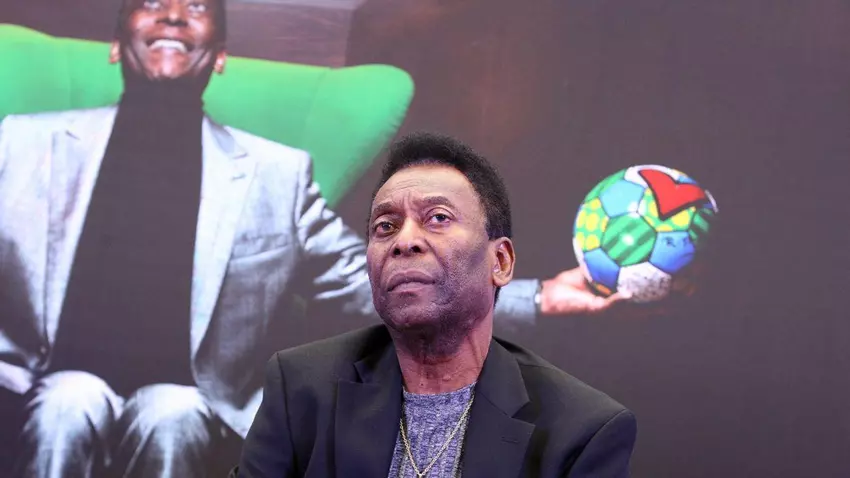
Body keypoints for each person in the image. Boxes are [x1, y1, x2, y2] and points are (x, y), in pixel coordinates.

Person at [0, 0, 626, 476]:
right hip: (35, 385)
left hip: (195, 401)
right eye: (150, 3)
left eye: (195, 7)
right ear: (116, 46)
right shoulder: (19, 142)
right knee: (70, 401)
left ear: (220, 56)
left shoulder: (276, 174)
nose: (172, 13)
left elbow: (369, 281)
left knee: (172, 412)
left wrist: (539, 298)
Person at [237, 132, 637, 478]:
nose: (404, 241)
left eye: (438, 218)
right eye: (385, 226)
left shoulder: (580, 430)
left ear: (500, 262)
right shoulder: (302, 388)